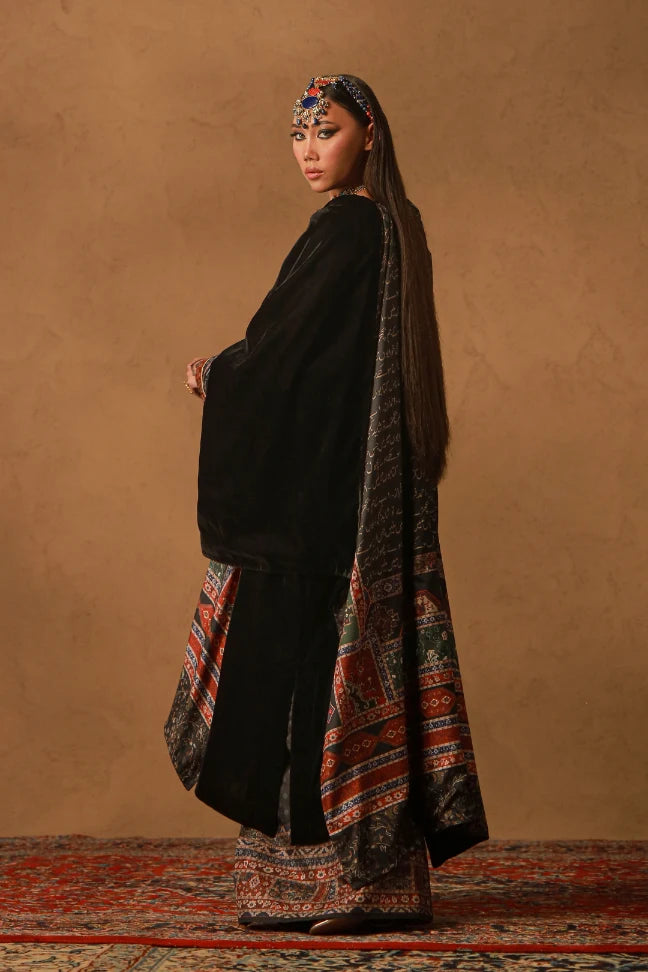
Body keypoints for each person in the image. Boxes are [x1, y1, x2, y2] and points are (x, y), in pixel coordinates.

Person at [164, 74, 488, 935]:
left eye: (327, 130)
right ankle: (364, 885)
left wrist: (218, 373)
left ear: (370, 134)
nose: (309, 150)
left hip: (322, 508)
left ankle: (347, 889)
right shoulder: (398, 227)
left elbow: (286, 352)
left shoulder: (348, 228)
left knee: (311, 679)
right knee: (348, 676)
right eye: (298, 134)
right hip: (364, 498)